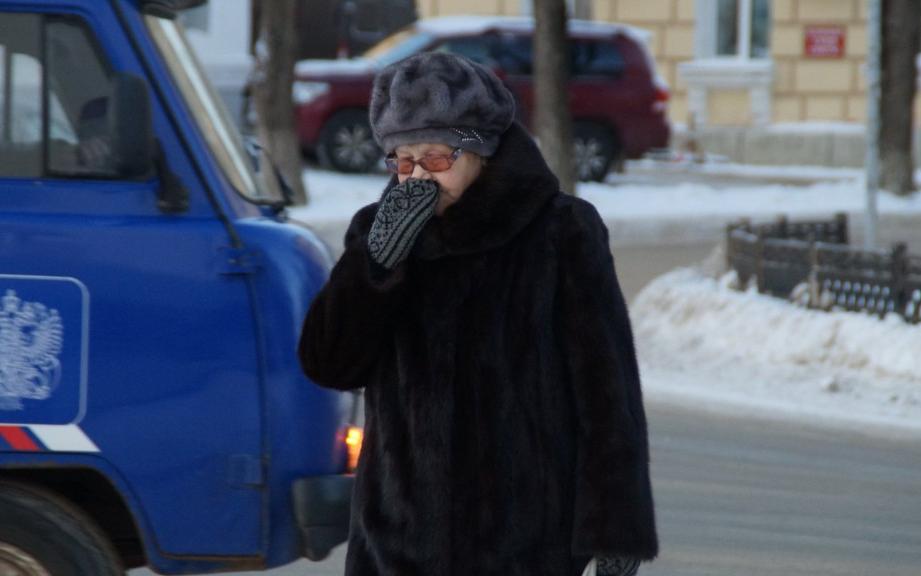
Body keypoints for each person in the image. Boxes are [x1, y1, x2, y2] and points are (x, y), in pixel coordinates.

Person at [298, 52, 657, 576]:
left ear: (480, 150)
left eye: (435, 158)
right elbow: (329, 364)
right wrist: (377, 264)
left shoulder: (560, 232)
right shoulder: (378, 234)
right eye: (403, 160)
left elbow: (607, 392)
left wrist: (616, 529)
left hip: (526, 545)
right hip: (396, 544)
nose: (418, 177)